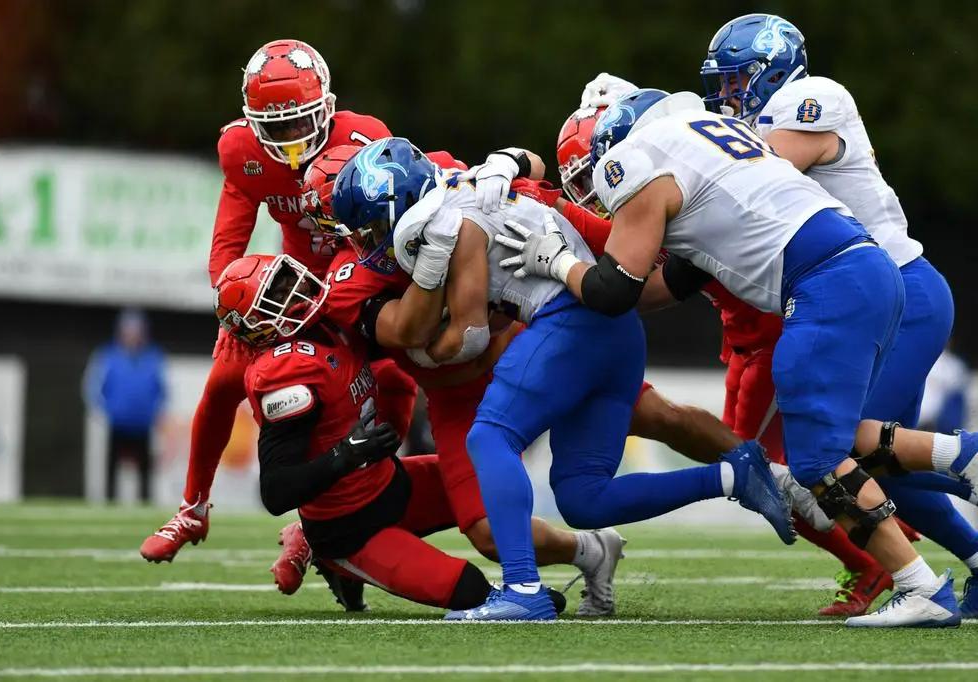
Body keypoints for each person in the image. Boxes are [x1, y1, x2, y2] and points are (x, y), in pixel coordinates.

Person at [489, 86, 964, 627]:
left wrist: (556, 264)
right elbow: (659, 286)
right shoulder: (714, 141)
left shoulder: (634, 159)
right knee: (835, 445)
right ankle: (947, 506)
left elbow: (614, 290)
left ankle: (928, 563)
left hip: (823, 286)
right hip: (861, 271)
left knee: (813, 461)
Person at [330, 136, 795, 621]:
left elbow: (467, 339)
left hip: (569, 321)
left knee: (490, 436)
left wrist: (428, 338)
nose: (362, 244)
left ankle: (523, 591)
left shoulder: (448, 222)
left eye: (365, 230)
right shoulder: (452, 199)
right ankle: (732, 474)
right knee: (583, 498)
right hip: (613, 330)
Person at [699, 13, 978, 618]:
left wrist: (691, 146)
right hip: (876, 294)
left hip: (896, 287)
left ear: (771, 68)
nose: (726, 94)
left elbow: (758, 170)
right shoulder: (758, 116)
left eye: (735, 80)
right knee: (884, 466)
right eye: (721, 85)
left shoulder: (812, 96)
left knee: (833, 446)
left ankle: (969, 459)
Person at [277, 144, 629, 617]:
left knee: (658, 416)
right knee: (487, 532)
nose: (360, 241)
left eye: (366, 227)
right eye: (349, 230)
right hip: (459, 393)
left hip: (532, 348)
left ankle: (745, 469)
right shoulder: (350, 277)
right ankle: (589, 551)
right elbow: (422, 336)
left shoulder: (443, 183)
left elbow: (532, 168)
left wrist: (509, 162)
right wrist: (436, 256)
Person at [139, 39, 418, 564]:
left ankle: (342, 510)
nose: (291, 138)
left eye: (300, 122)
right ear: (253, 123)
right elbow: (226, 249)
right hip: (288, 283)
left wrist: (339, 291)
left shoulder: (366, 138)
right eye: (276, 127)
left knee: (398, 376)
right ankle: (193, 507)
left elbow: (385, 228)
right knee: (223, 381)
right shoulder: (242, 151)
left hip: (357, 266)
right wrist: (237, 294)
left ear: (327, 107)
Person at [210, 252, 512, 614]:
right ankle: (334, 559)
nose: (297, 289)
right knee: (471, 590)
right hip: (350, 528)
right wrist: (347, 453)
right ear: (258, 325)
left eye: (288, 277)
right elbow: (276, 492)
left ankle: (583, 551)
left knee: (497, 489)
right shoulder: (285, 376)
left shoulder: (330, 320)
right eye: (278, 292)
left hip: (391, 484)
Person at [84, 309, 166, 503]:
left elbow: (162, 390)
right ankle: (109, 503)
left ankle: (145, 505)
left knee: (145, 472)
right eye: (129, 329)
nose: (133, 334)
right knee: (112, 470)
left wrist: (155, 411)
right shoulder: (107, 355)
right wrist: (108, 411)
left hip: (143, 425)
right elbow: (93, 388)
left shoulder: (154, 356)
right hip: (118, 424)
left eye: (137, 330)